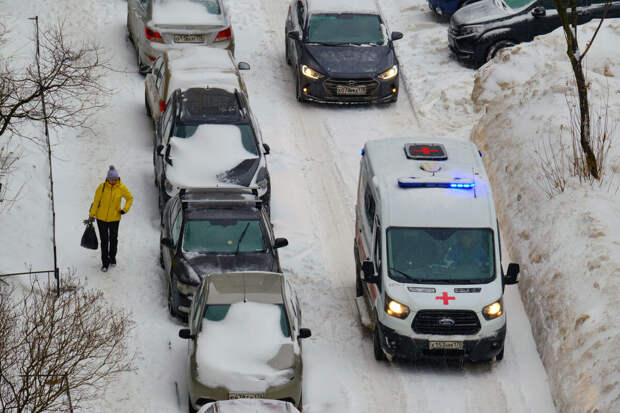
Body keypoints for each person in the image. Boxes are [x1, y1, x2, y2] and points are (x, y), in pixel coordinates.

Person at [88, 165, 133, 272]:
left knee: (113, 239)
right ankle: (105, 263)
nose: (113, 181)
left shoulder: (121, 188)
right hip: (101, 219)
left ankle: (112, 257)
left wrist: (124, 209)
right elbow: (96, 202)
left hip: (115, 219)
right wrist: (91, 215)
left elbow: (129, 198)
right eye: (111, 179)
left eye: (115, 179)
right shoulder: (101, 187)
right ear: (108, 179)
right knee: (104, 241)